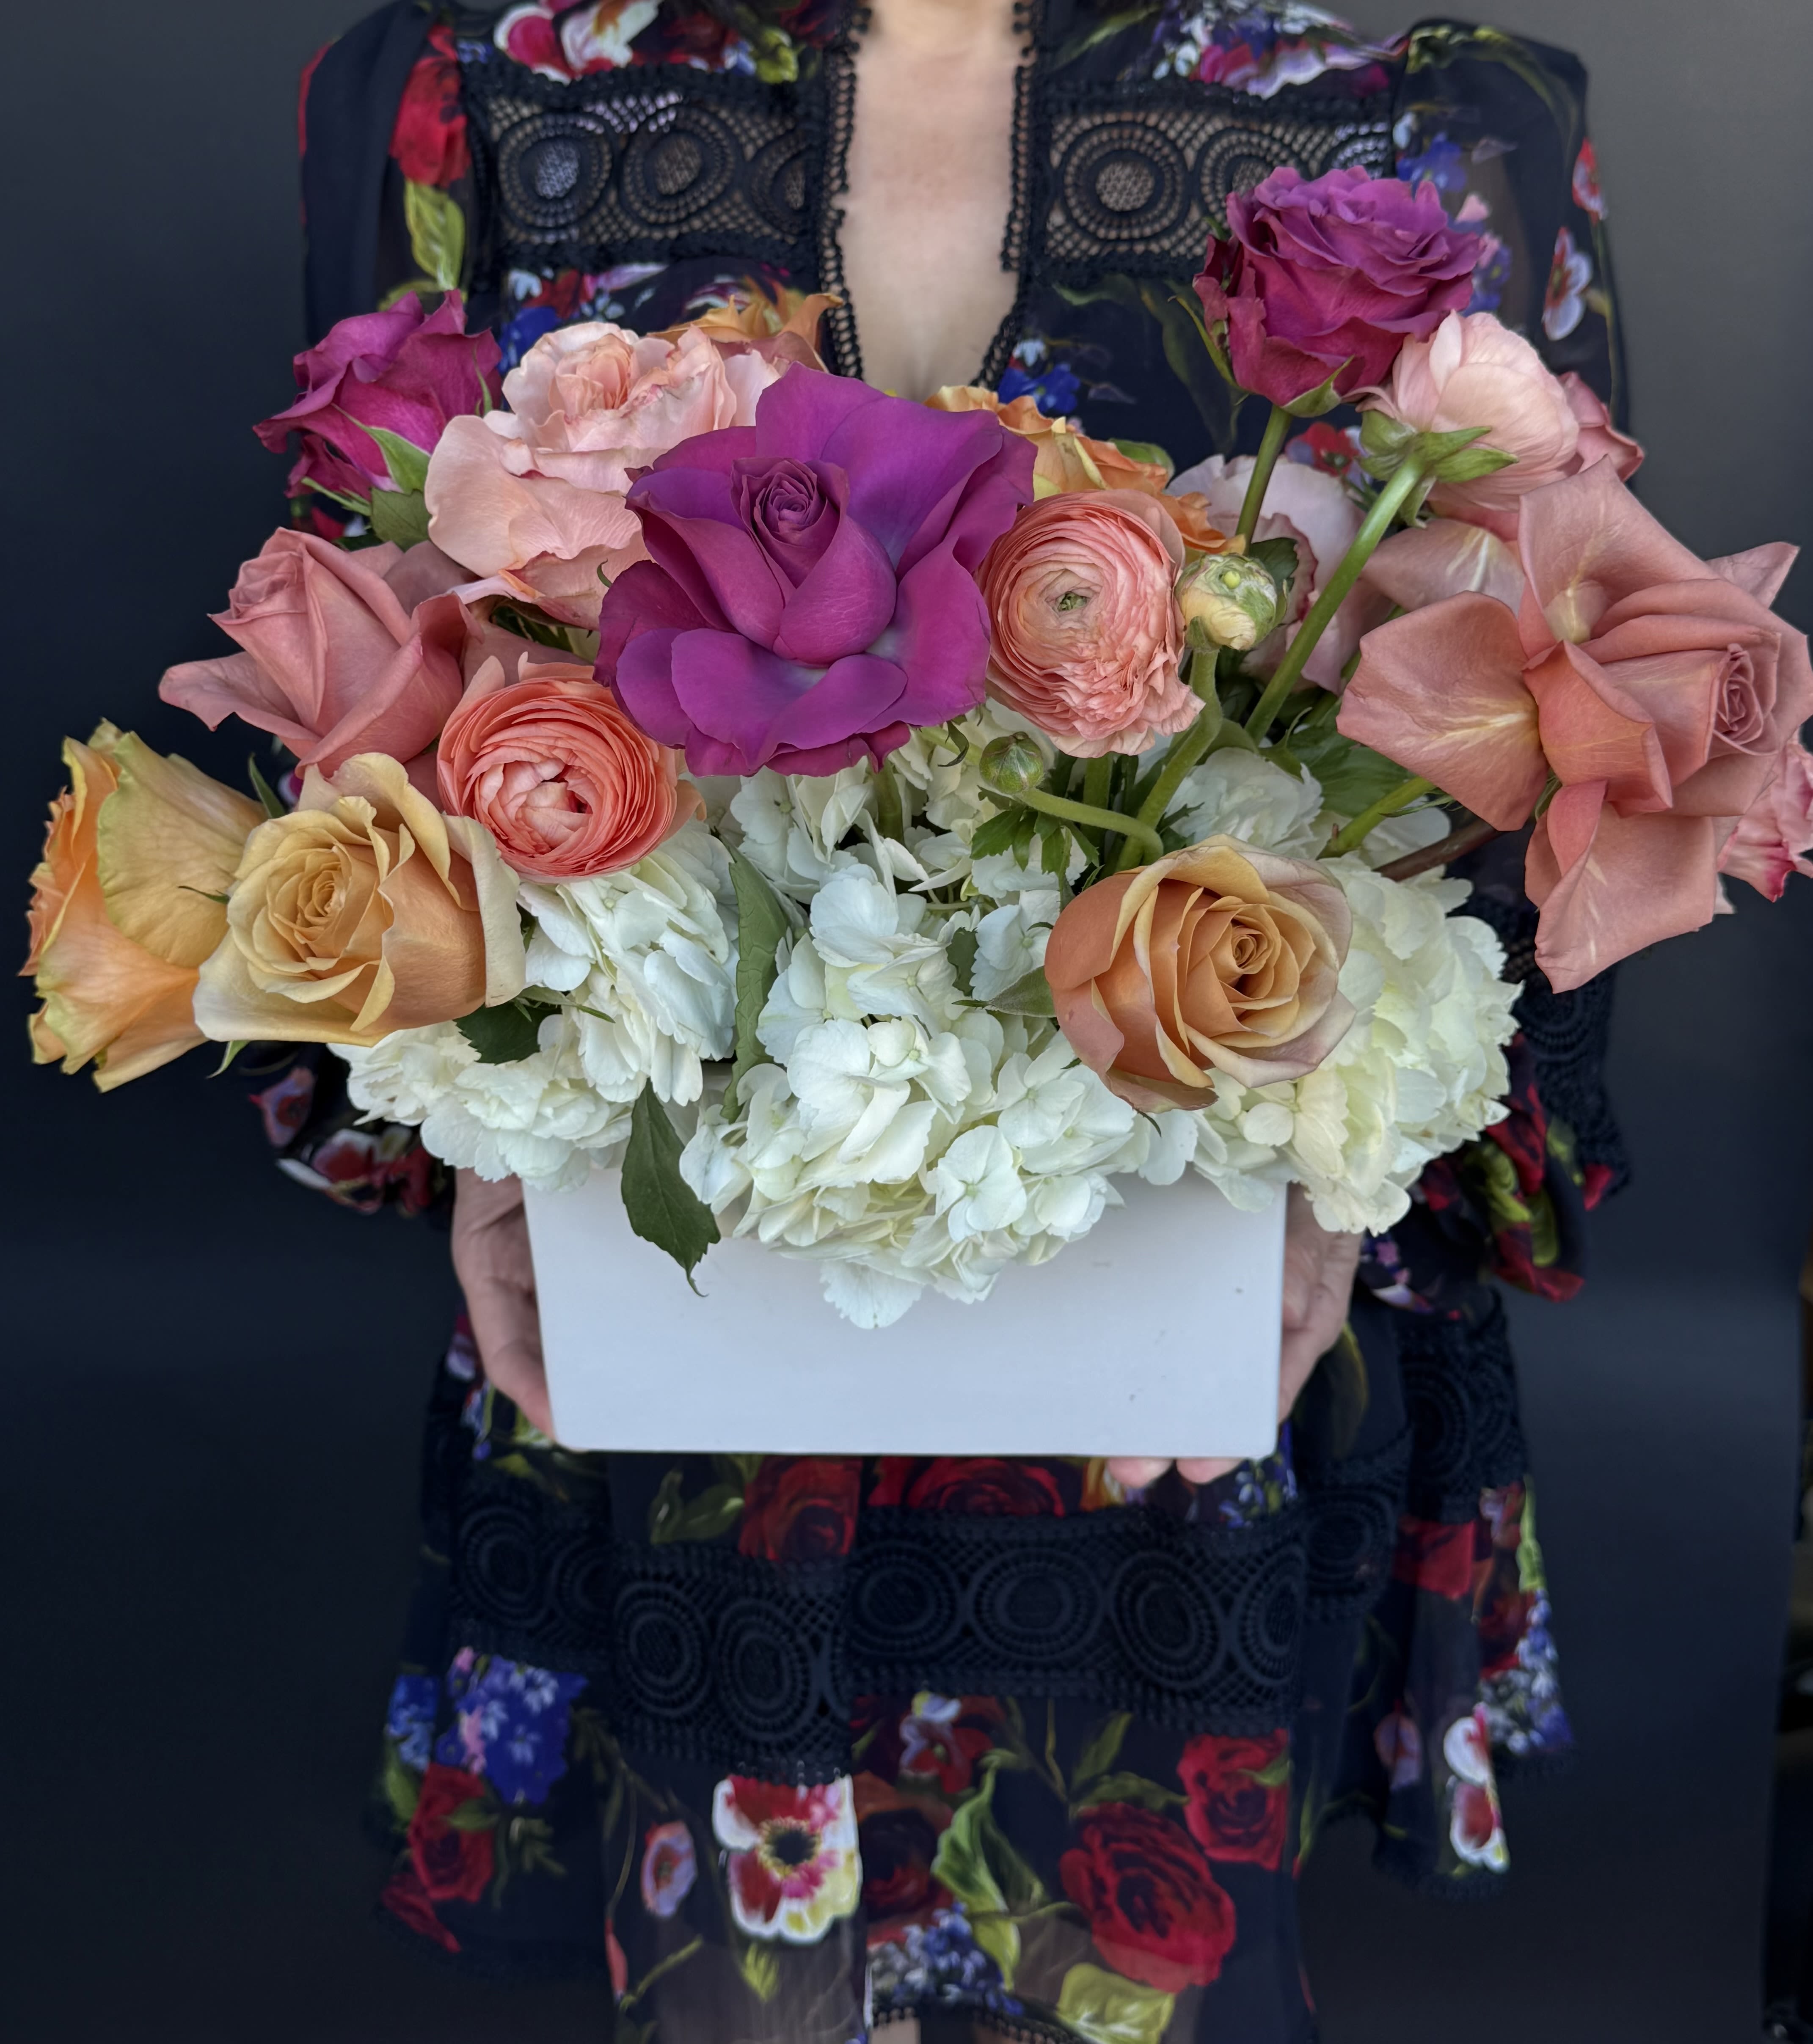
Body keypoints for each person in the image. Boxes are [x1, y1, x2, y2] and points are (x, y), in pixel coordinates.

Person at [266, 2, 1623, 2035]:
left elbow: (1559, 756)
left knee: (1126, 1955)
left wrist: (1360, 1147)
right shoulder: (481, 90)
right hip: (675, 1300)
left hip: (1170, 1354)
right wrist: (468, 1117)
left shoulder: (1418, 123)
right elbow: (367, 692)